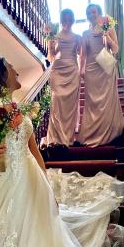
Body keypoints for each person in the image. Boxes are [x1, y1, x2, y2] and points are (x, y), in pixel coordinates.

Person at [0, 56, 124, 247]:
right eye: (11, 67)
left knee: (35, 235)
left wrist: (47, 187)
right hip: (0, 182)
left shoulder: (19, 109)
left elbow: (35, 152)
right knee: (2, 234)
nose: (16, 71)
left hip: (30, 181)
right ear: (2, 76)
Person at [76, 4, 124, 147]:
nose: (91, 15)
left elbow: (115, 49)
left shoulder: (108, 27)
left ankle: (109, 131)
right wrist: (81, 71)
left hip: (105, 68)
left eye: (93, 12)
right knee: (93, 104)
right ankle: (93, 132)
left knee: (107, 101)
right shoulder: (85, 33)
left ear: (99, 13)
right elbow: (83, 55)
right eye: (88, 13)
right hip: (91, 70)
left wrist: (108, 39)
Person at [46, 9, 81, 147]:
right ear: (61, 20)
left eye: (69, 18)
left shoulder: (78, 37)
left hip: (72, 71)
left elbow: (81, 55)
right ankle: (56, 139)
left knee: (70, 107)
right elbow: (51, 56)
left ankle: (68, 137)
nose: (67, 21)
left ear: (72, 20)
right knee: (57, 105)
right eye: (64, 18)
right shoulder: (55, 36)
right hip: (58, 71)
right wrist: (49, 40)